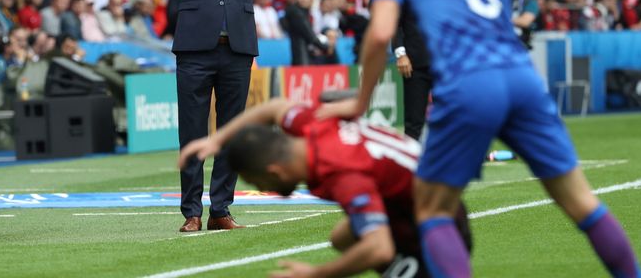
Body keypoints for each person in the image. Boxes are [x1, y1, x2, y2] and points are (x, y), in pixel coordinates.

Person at [319, 0, 641, 277]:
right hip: (523, 79)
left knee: (432, 210)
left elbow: (382, 33)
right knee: (582, 203)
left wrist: (360, 99)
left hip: (469, 85)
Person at [87, 0, 364, 232]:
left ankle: (221, 209)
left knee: (233, 133)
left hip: (237, 51)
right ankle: (191, 212)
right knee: (192, 132)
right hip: (193, 51)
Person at [178, 97, 471, 278]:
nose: (262, 188)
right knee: (342, 236)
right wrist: (219, 139)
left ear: (274, 171)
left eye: (258, 183)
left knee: (368, 244)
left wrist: (316, 273)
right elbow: (275, 107)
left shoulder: (342, 173)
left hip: (440, 225)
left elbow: (378, 249)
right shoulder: (311, 126)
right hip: (418, 196)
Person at [391, 4, 432, 140]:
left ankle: (453, 159)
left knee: (451, 118)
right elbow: (394, 23)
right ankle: (409, 160)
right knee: (413, 123)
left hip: (445, 65)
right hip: (415, 64)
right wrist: (400, 54)